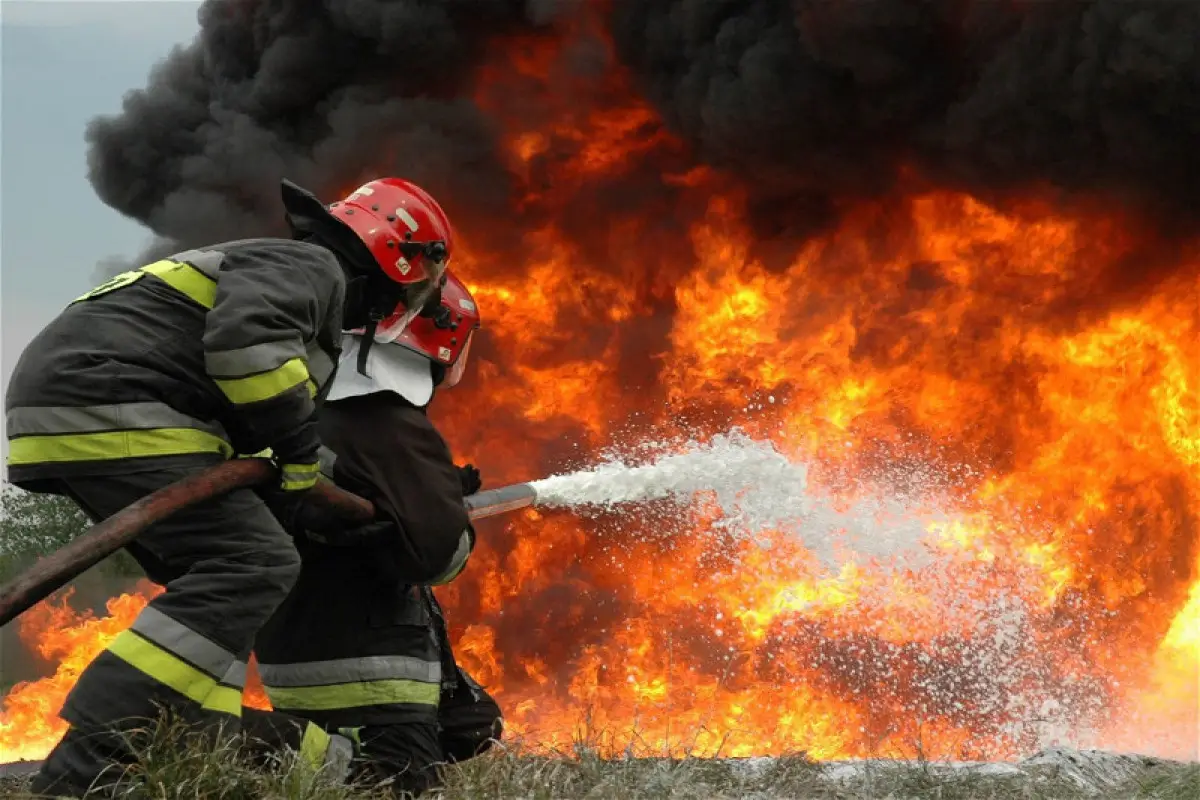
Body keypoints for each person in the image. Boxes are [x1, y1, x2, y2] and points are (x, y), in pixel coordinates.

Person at [5, 176, 460, 797]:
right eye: (418, 285)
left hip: (83, 406)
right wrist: (301, 461)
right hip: (116, 400)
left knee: (216, 586)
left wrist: (320, 492)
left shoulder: (286, 273)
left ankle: (176, 744)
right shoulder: (310, 266)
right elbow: (248, 354)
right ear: (399, 259)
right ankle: (88, 763)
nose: (406, 302)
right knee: (254, 562)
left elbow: (249, 418)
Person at [242, 269, 502, 797]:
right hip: (370, 669)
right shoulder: (388, 420)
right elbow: (440, 557)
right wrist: (447, 512)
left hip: (293, 655)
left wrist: (431, 492)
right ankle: (264, 746)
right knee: (391, 783)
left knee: (473, 725)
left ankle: (318, 757)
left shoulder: (301, 411)